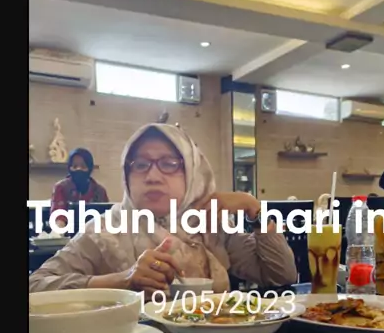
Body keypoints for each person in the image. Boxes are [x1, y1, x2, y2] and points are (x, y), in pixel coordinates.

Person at [29, 123, 298, 294]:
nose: (153, 176)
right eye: (140, 164)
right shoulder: (105, 231)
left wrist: (255, 210)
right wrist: (123, 280)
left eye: (169, 164)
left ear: (192, 174)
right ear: (126, 175)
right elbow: (36, 285)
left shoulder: (208, 226)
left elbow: (281, 276)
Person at [50, 148, 109, 221]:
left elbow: (105, 217)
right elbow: (58, 217)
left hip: (94, 227)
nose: (78, 169)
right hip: (68, 227)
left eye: (83, 166)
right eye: (74, 166)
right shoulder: (61, 187)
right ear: (69, 168)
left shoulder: (100, 191)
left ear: (90, 168)